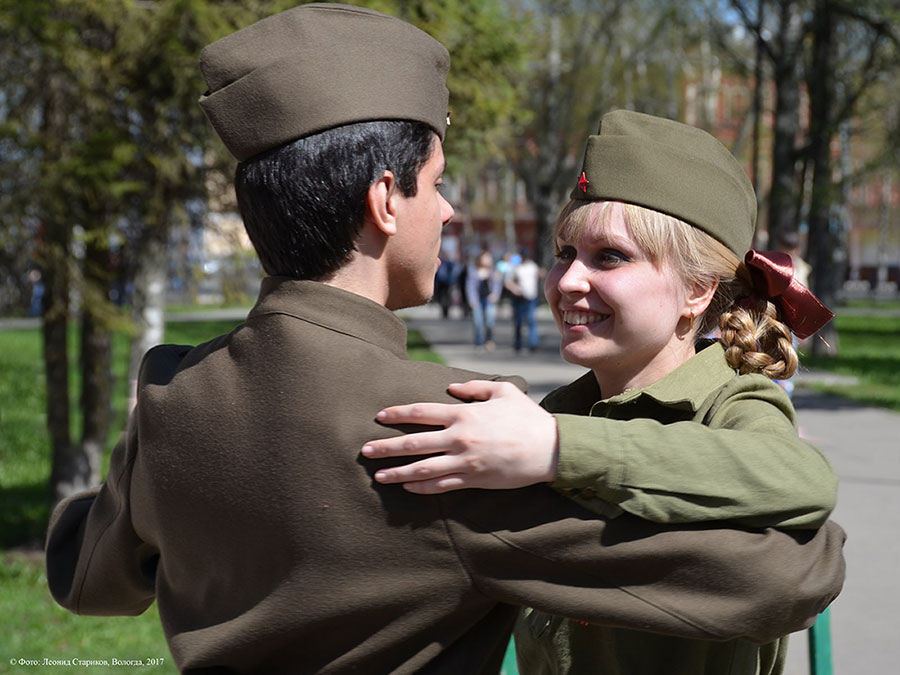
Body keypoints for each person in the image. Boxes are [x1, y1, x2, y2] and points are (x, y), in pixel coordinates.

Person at [44, 10, 844, 672]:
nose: (452, 210)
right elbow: (784, 574)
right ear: (386, 200)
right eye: (436, 181)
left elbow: (86, 578)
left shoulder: (170, 397)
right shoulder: (441, 430)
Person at [362, 111, 839, 675]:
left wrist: (560, 448)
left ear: (698, 289)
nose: (567, 281)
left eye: (609, 257)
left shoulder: (730, 402)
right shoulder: (565, 407)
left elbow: (799, 477)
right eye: (564, 252)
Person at [506, 246, 542, 352]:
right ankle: (518, 344)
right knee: (518, 322)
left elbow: (539, 275)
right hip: (519, 298)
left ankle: (533, 344)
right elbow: (508, 282)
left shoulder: (533, 266)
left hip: (531, 297)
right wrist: (515, 288)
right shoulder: (516, 268)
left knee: (531, 321)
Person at [466, 248, 503, 350]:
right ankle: (478, 342)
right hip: (477, 300)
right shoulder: (473, 271)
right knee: (478, 322)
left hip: (489, 300)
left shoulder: (494, 272)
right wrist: (472, 300)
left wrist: (495, 295)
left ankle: (489, 340)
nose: (487, 260)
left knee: (489, 321)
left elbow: (497, 285)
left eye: (488, 258)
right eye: (484, 258)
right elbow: (470, 287)